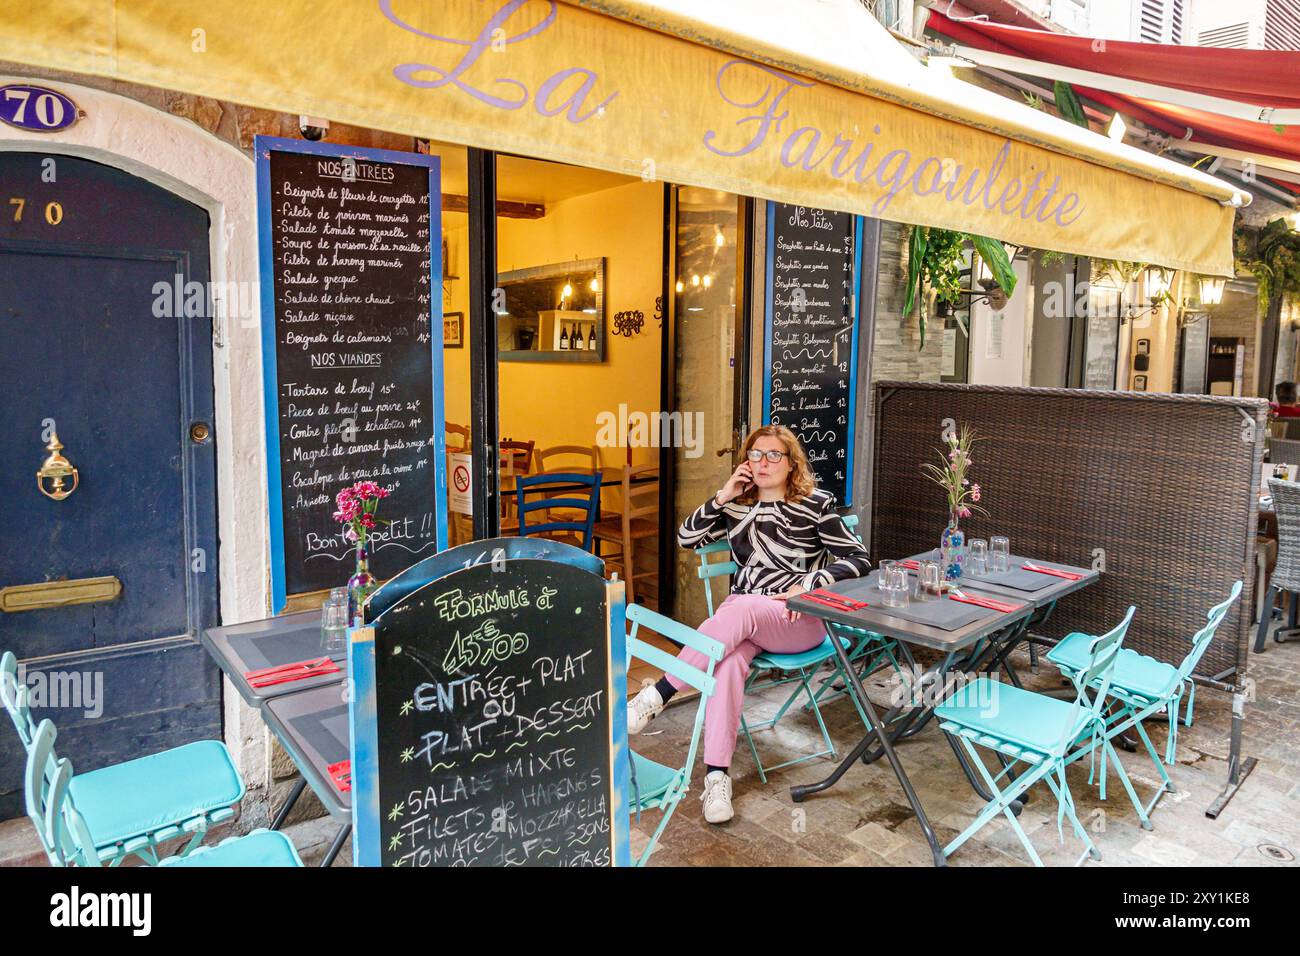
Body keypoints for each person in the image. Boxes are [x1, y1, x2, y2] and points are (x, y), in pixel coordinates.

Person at [626, 424, 871, 824]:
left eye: (774, 455)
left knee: (735, 611)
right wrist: (723, 496)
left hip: (798, 618)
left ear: (792, 464)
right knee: (730, 661)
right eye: (756, 454)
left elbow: (859, 557)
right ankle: (716, 779)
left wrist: (808, 584)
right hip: (745, 623)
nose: (763, 462)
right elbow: (686, 539)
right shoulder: (737, 506)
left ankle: (660, 694)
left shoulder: (816, 504)